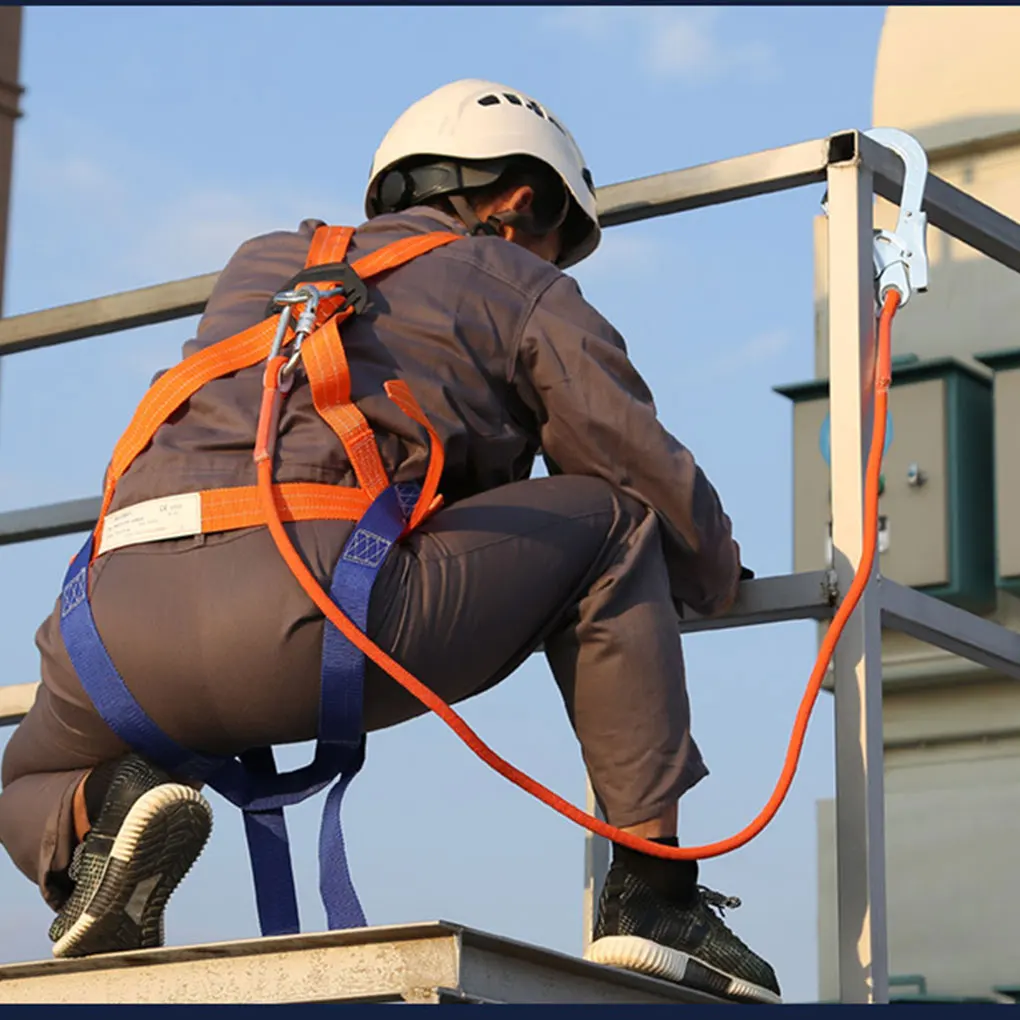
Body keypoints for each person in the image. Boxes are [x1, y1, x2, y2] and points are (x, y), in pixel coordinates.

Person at [0, 79, 780, 1003]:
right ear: (518, 202)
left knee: (31, 777)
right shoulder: (517, 280)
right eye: (556, 240)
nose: (553, 264)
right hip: (311, 613)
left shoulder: (261, 263)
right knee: (616, 524)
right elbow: (632, 461)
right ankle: (654, 894)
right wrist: (714, 571)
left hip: (108, 629)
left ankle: (104, 813)